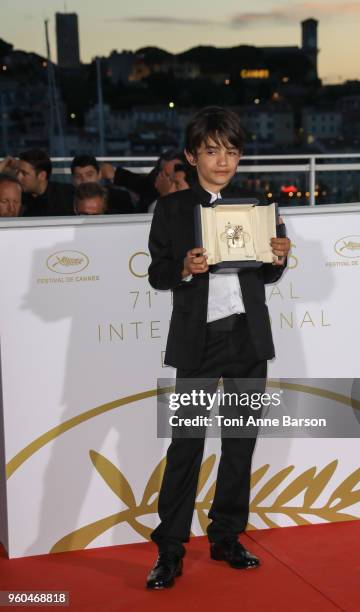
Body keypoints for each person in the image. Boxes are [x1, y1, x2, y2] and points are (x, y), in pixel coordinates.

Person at [146, 106, 291, 589]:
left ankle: (227, 536)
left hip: (248, 339)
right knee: (185, 445)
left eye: (231, 151)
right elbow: (157, 273)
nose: (223, 160)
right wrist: (185, 266)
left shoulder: (259, 205)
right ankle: (169, 549)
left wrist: (278, 258)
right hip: (197, 343)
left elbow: (268, 272)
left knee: (240, 445)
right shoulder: (170, 209)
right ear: (192, 156)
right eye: (212, 151)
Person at [100, 148, 185, 212]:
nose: (168, 180)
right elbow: (141, 183)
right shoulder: (153, 184)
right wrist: (114, 174)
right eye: (165, 175)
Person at [16, 149, 74, 216]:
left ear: (42, 175)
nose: (18, 177)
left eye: (24, 173)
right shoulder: (18, 197)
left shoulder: (66, 194)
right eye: (18, 172)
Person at [70, 155, 136, 214]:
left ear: (99, 175)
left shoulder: (120, 197)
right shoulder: (66, 200)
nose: (84, 180)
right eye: (78, 177)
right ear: (73, 179)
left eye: (89, 175)